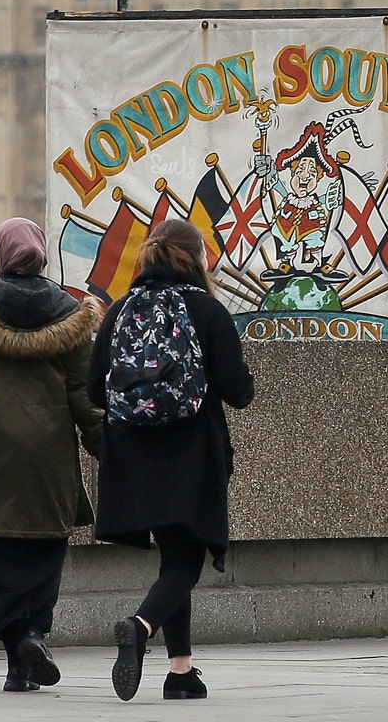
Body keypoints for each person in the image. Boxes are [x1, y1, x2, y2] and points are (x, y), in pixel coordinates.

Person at [89, 219, 254, 702]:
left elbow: (94, 387)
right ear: (196, 259)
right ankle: (140, 628)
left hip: (131, 452)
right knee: (186, 559)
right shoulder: (206, 310)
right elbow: (239, 391)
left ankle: (181, 672)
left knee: (173, 555)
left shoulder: (120, 311)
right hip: (190, 452)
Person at [0, 218, 103, 692]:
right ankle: (33, 633)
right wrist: (107, 447)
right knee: (41, 550)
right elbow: (84, 395)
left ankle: (16, 659)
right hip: (47, 457)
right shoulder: (71, 314)